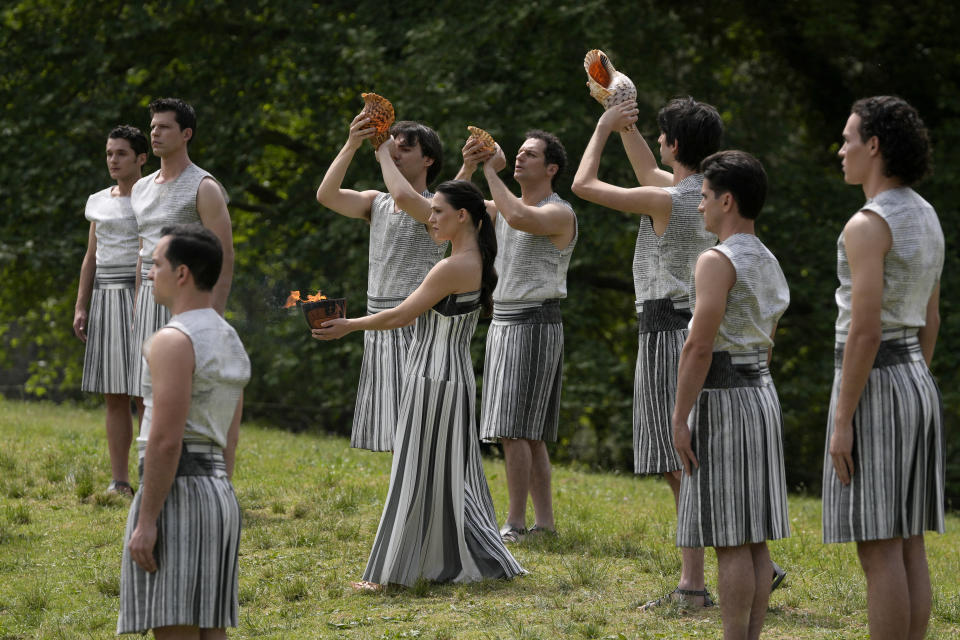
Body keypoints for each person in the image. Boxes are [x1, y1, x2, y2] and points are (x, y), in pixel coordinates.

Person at [574, 97, 753, 607]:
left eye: (660, 135)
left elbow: (583, 185)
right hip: (693, 327)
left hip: (665, 331)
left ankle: (693, 584)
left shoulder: (670, 200)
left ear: (675, 144)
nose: (655, 141)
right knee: (689, 456)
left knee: (679, 463)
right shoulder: (701, 193)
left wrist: (605, 127)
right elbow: (649, 169)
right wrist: (626, 120)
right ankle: (742, 555)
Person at [313, 180, 524, 588]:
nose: (430, 218)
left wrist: (349, 326)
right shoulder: (474, 258)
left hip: (432, 378)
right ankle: (437, 561)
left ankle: (394, 574)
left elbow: (401, 315)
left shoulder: (454, 266)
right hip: (451, 377)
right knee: (439, 474)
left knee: (414, 475)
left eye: (438, 211)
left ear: (462, 216)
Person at [822, 96, 944, 640]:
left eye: (849, 138)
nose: (842, 149)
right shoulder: (926, 213)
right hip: (916, 378)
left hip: (876, 383)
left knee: (878, 547)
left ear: (874, 146)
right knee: (907, 539)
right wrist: (913, 381)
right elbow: (931, 319)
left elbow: (865, 330)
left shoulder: (867, 225)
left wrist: (844, 419)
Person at [672, 150, 790, 640]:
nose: (699, 207)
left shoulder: (716, 260)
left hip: (724, 401)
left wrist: (679, 418)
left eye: (703, 197)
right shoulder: (766, 258)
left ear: (727, 199)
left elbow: (700, 345)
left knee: (729, 539)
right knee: (755, 538)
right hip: (762, 395)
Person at [117, 224, 250, 638]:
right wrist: (219, 489)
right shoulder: (229, 338)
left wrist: (147, 519)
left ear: (182, 274)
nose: (148, 272)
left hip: (177, 495)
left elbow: (165, 438)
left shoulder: (173, 340)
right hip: (218, 496)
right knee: (211, 632)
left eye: (156, 264)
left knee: (175, 630)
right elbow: (230, 436)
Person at [457, 130, 577, 542]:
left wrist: (492, 170)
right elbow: (452, 208)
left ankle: (514, 523)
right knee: (528, 432)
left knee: (515, 428)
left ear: (551, 168)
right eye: (519, 154)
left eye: (531, 155)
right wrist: (472, 165)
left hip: (534, 321)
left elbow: (518, 217)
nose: (520, 159)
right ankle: (543, 525)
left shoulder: (558, 212)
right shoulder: (505, 207)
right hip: (506, 322)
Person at [316, 115, 447, 452]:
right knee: (395, 430)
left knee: (418, 429)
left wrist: (383, 154)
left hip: (416, 323)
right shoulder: (376, 202)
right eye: (392, 146)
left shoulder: (436, 208)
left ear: (428, 159)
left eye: (405, 148)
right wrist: (352, 144)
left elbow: (405, 198)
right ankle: (406, 502)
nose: (394, 151)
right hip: (379, 323)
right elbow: (326, 195)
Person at [130, 98, 234, 418]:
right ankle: (151, 464)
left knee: (178, 396)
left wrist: (213, 315)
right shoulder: (140, 188)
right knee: (142, 393)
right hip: (149, 295)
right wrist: (137, 304)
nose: (155, 134)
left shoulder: (204, 187)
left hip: (187, 298)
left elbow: (225, 254)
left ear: (186, 133)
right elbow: (142, 251)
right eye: (152, 127)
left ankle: (183, 464)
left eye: (164, 127)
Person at [74, 125, 148, 496]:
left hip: (142, 296)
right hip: (104, 298)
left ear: (141, 158)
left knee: (143, 392)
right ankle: (119, 482)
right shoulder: (97, 200)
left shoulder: (152, 196)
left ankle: (151, 477)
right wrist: (81, 305)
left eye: (121, 153)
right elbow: (91, 255)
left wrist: (142, 300)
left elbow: (147, 250)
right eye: (109, 154)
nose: (113, 160)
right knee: (114, 394)